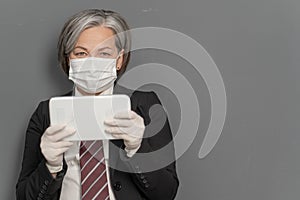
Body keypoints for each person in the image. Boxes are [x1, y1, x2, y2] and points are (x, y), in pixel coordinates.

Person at [16, 9, 179, 200]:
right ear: (68, 59)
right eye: (81, 53)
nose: (92, 62)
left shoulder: (146, 106)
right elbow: (24, 196)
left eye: (104, 53)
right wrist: (50, 167)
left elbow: (166, 194)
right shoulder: (46, 113)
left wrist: (136, 148)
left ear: (119, 60)